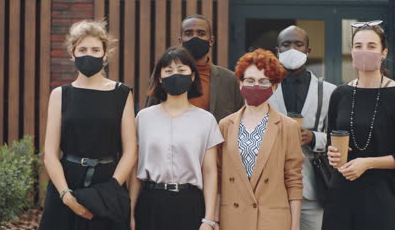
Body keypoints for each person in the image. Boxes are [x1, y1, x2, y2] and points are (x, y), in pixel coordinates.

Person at [39, 20, 137, 230]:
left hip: (108, 184)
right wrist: (66, 196)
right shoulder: (60, 95)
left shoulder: (122, 93)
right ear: (72, 53)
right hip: (66, 184)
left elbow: (130, 151)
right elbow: (50, 154)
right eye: (82, 49)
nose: (89, 55)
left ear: (105, 54)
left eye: (95, 50)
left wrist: (109, 189)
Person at [324, 21, 395, 230]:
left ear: (383, 52)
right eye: (358, 46)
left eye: (371, 46)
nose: (364, 51)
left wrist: (367, 163)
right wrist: (331, 154)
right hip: (340, 199)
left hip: (379, 199)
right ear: (351, 51)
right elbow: (329, 142)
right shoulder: (340, 94)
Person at [129, 46, 224, 230]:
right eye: (168, 71)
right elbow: (135, 171)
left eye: (182, 70)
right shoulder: (143, 118)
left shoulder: (206, 120)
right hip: (151, 202)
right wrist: (130, 212)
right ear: (159, 77)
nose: (175, 75)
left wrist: (209, 219)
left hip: (189, 203)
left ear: (192, 76)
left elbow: (210, 173)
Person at [217, 49, 304, 230]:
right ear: (240, 83)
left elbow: (294, 180)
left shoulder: (288, 127)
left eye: (264, 81)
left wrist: (295, 227)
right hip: (233, 218)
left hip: (272, 220)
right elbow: (217, 178)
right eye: (250, 80)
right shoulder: (225, 125)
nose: (256, 86)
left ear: (274, 86)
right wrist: (214, 220)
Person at [269, 25, 336, 230]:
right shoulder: (263, 89)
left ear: (308, 50)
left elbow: (339, 138)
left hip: (313, 186)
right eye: (286, 44)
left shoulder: (329, 92)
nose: (292, 49)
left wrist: (314, 138)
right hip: (271, 186)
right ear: (277, 50)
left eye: (298, 44)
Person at [146, 14, 244, 122]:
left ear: (211, 41)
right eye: (188, 33)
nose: (195, 37)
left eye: (201, 33)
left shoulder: (229, 79)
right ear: (180, 40)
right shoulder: (166, 75)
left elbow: (239, 120)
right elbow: (150, 115)